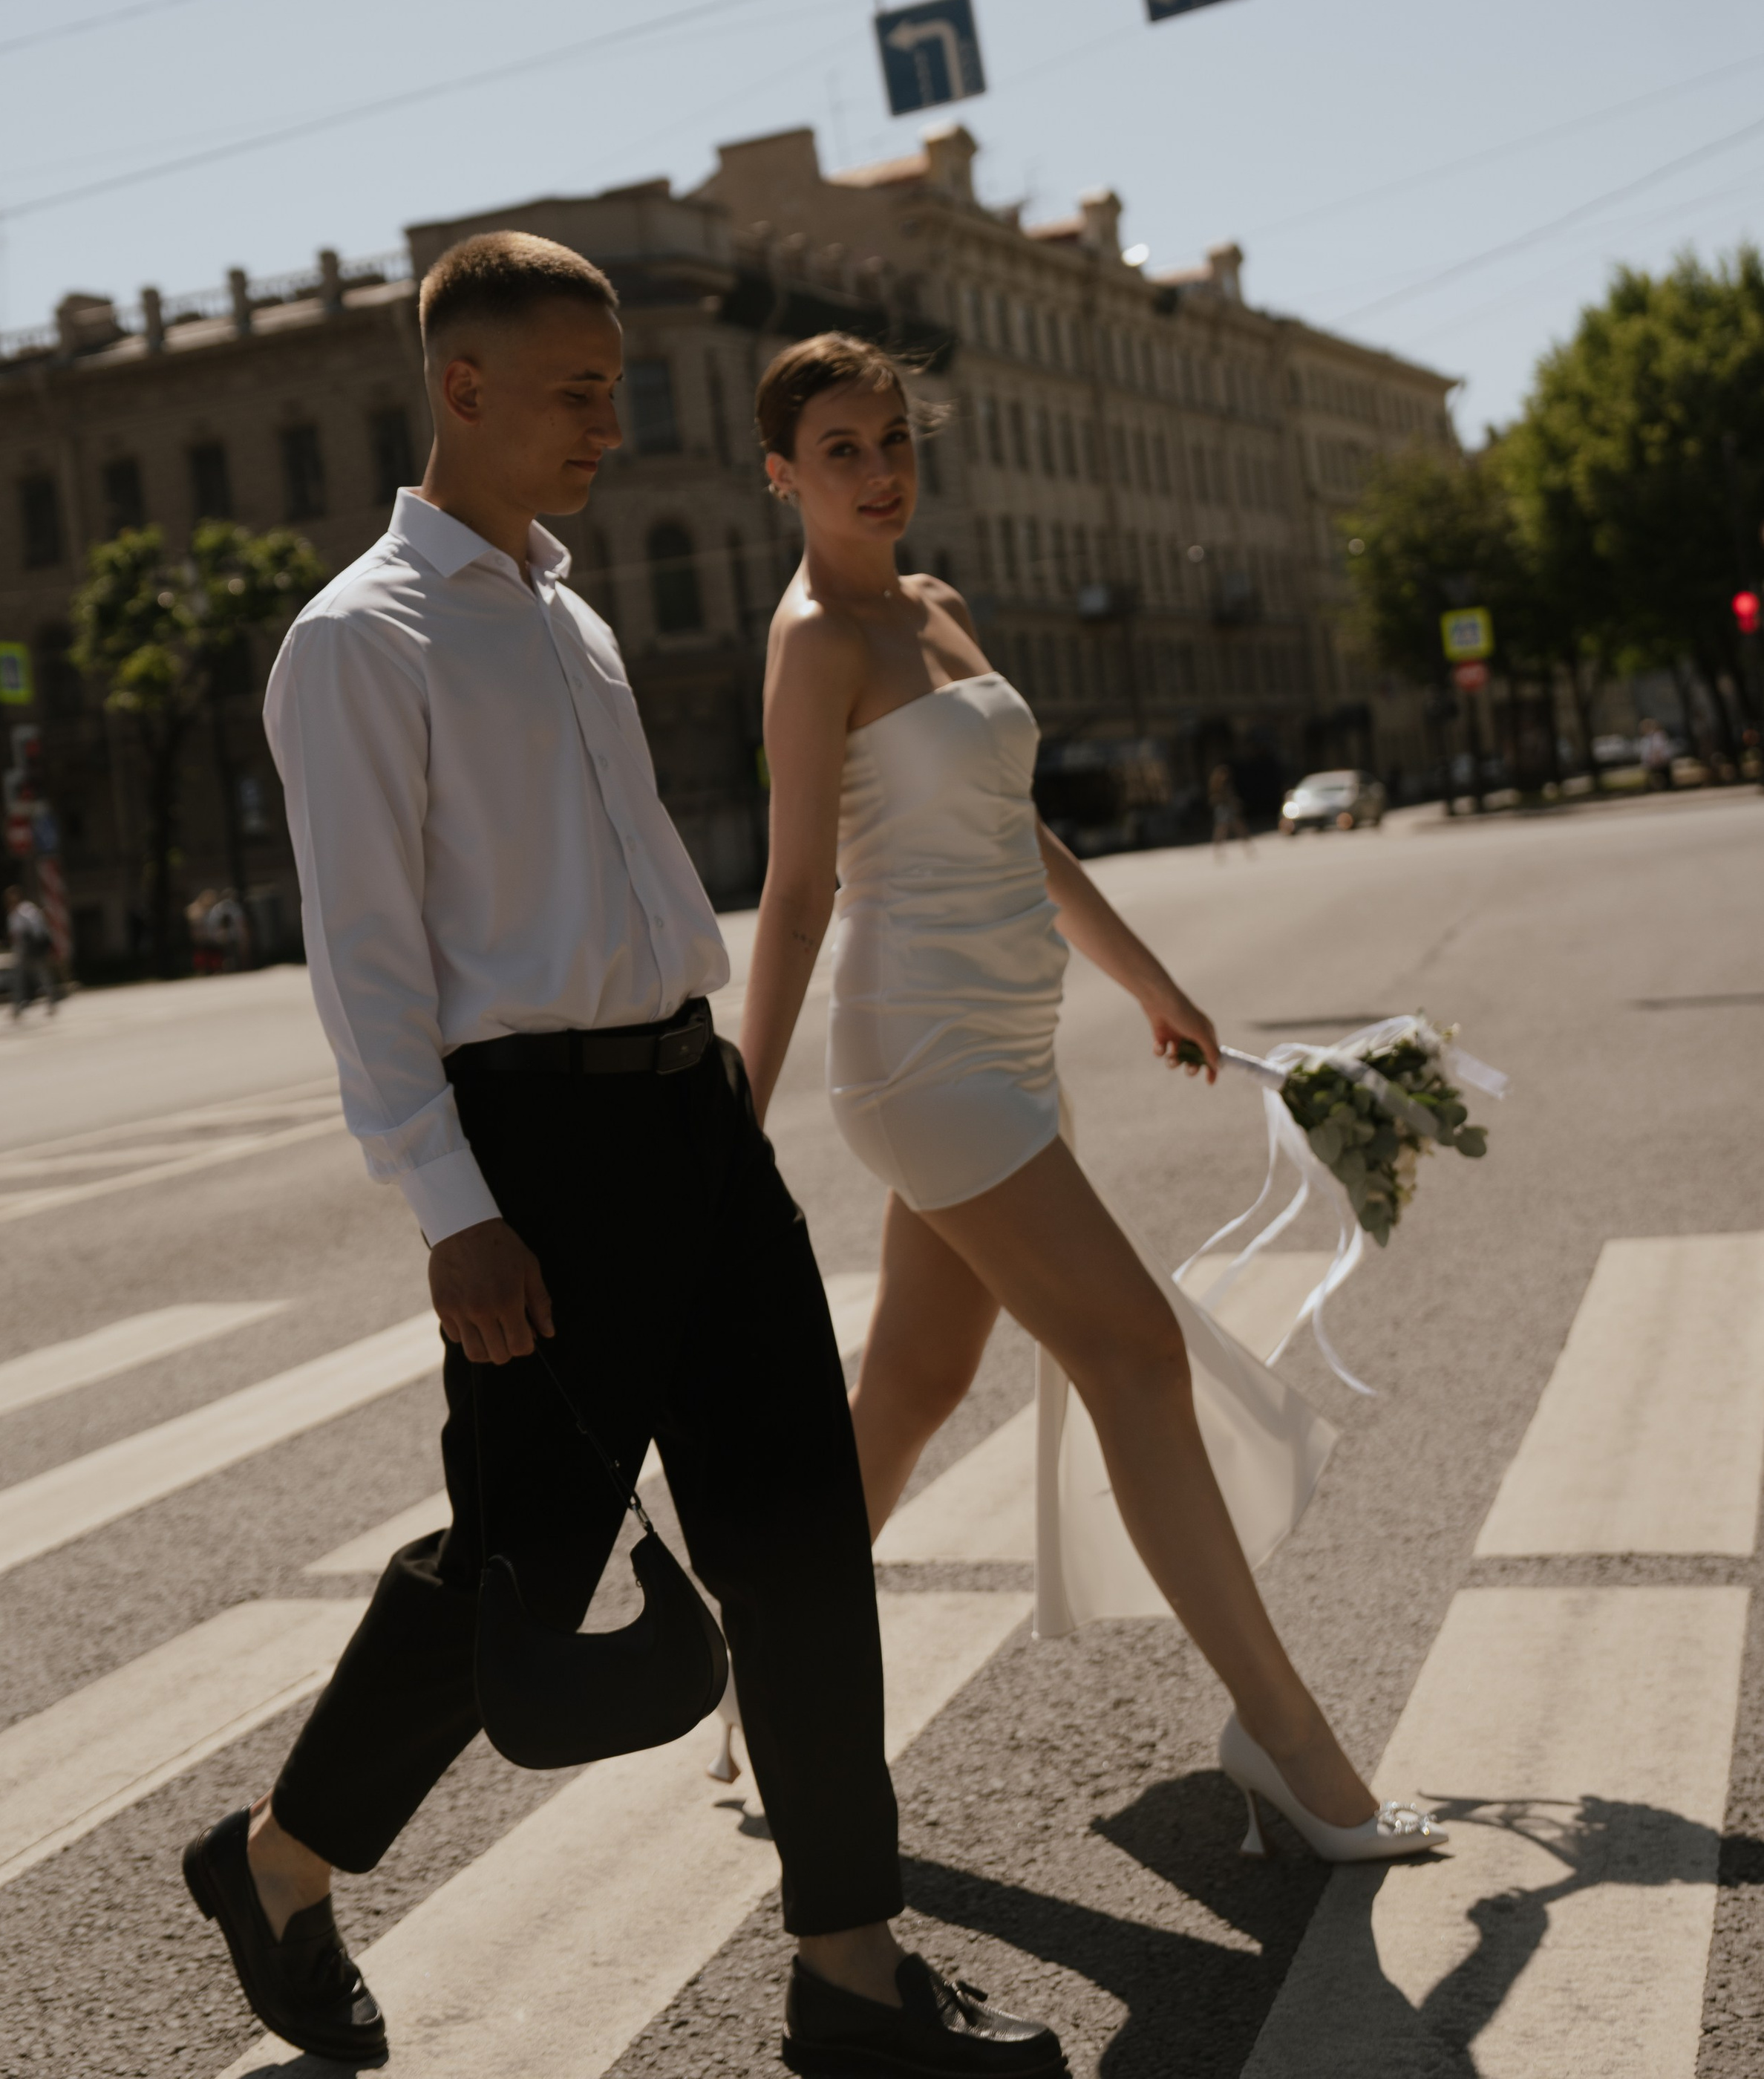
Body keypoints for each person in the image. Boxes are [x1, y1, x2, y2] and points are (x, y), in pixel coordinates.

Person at [181, 234, 1065, 2078]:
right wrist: (455, 1210)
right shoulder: (360, 638)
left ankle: (848, 1972)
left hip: (680, 1111)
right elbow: (365, 963)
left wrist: (718, 1094)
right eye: (579, 388)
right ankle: (274, 1862)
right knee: (526, 1557)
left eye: (617, 386)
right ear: (466, 387)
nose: (613, 416)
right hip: (535, 1153)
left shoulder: (567, 615)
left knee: (799, 1534)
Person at [739, 333, 1442, 1868]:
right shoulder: (813, 642)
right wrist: (739, 1106)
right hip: (914, 1057)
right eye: (841, 449)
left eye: (893, 439)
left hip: (1009, 1042)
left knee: (913, 1389)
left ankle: (764, 1683)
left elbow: (1018, 832)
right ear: (781, 473)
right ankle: (1288, 1744)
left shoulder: (931, 610)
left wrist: (1150, 982)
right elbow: (794, 897)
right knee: (1132, 1357)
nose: (879, 470)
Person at [3, 885, 59, 1019]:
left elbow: (36, 929)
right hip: (21, 950)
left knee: (41, 976)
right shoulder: (12, 914)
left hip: (31, 949)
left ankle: (51, 1002)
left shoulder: (26, 909)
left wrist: (37, 945)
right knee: (19, 978)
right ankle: (17, 1007)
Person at [1206, 761, 1255, 861]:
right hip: (1223, 808)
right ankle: (1218, 851)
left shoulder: (1225, 783)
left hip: (1227, 807)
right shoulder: (1218, 784)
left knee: (1238, 827)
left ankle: (1247, 847)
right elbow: (1218, 797)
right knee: (1222, 829)